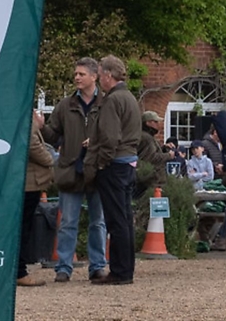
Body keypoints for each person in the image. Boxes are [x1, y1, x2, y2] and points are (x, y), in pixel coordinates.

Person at [42, 57, 108, 284]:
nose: (77, 77)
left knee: (98, 222)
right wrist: (42, 127)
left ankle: (98, 266)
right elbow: (52, 135)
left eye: (81, 74)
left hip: (98, 170)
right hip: (71, 169)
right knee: (68, 222)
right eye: (76, 74)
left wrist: (97, 142)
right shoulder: (65, 105)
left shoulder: (107, 103)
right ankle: (63, 267)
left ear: (94, 76)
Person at [85, 55, 141, 286]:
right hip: (129, 163)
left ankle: (119, 272)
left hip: (114, 165)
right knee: (125, 220)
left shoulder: (112, 100)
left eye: (100, 74)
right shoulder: (130, 98)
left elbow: (110, 137)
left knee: (116, 221)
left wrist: (101, 162)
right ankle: (126, 269)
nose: (99, 79)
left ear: (108, 75)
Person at [18, 109, 53, 287]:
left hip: (29, 181)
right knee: (23, 227)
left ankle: (18, 269)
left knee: (23, 226)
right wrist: (50, 159)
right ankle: (20, 271)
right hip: (30, 182)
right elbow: (32, 145)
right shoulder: (27, 119)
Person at [136, 111, 170, 197]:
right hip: (151, 181)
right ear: (148, 123)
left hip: (149, 179)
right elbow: (150, 158)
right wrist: (169, 155)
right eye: (155, 122)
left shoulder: (145, 136)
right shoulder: (147, 138)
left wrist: (163, 149)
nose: (158, 124)